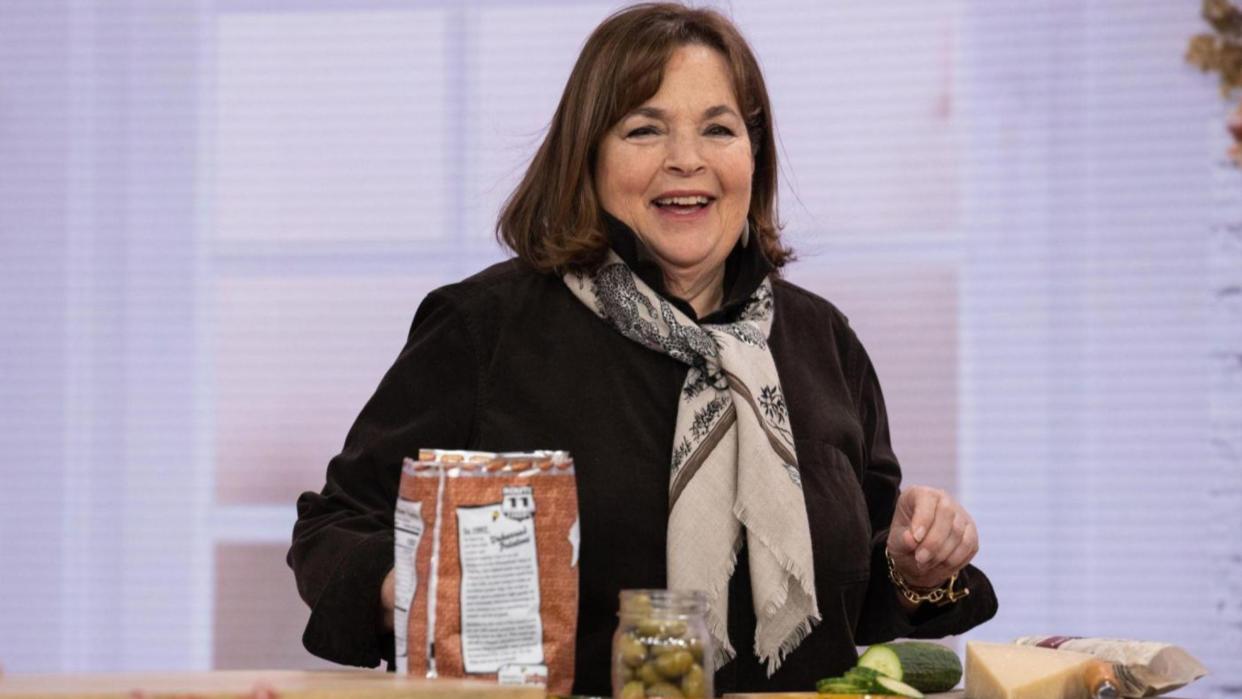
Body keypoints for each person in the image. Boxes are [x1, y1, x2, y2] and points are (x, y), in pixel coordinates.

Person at [287, 3, 997, 695]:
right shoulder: (484, 329)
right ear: (587, 156)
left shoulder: (823, 341)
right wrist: (422, 588)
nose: (684, 160)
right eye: (643, 130)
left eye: (717, 129)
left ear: (753, 156)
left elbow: (847, 596)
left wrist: (917, 567)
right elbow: (334, 528)